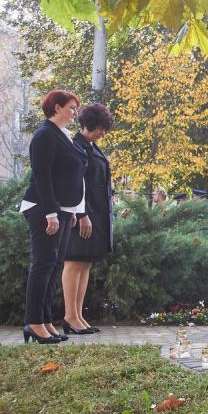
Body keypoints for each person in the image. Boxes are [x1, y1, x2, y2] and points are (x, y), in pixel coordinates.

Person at [20, 90, 86, 344]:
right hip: (42, 207)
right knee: (43, 264)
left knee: (54, 265)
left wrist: (69, 211)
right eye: (71, 108)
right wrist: (50, 212)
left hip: (61, 210)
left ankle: (45, 320)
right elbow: (42, 176)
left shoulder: (63, 135)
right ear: (56, 107)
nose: (74, 113)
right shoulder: (45, 135)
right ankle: (33, 322)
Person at [62, 103, 115, 336]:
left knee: (85, 264)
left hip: (96, 216)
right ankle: (69, 316)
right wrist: (82, 214)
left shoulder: (93, 147)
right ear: (88, 124)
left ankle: (78, 316)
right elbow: (74, 184)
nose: (102, 133)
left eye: (104, 129)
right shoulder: (76, 146)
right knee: (73, 263)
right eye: (100, 128)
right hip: (80, 216)